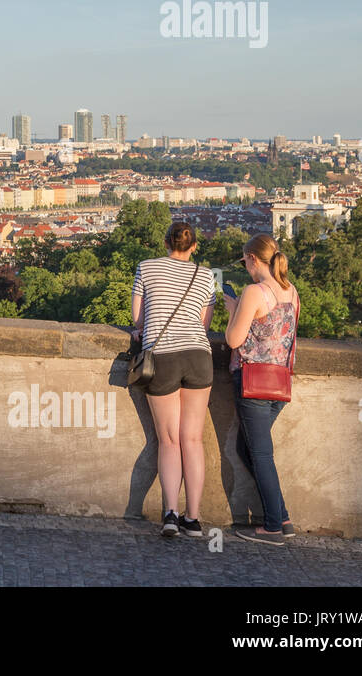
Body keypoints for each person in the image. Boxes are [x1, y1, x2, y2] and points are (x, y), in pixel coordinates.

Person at [131, 220, 215, 538]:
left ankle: (170, 514)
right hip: (198, 355)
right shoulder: (206, 275)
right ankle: (193, 519)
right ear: (193, 246)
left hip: (162, 356)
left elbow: (137, 320)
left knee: (168, 441)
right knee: (192, 440)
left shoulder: (146, 268)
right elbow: (204, 324)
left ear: (166, 243)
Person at [224, 233, 299, 546]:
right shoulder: (291, 290)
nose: (245, 267)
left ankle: (272, 527)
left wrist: (233, 307)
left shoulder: (254, 292)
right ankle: (281, 517)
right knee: (249, 449)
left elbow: (233, 339)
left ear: (252, 258)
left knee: (261, 454)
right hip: (279, 381)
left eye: (245, 261)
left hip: (254, 383)